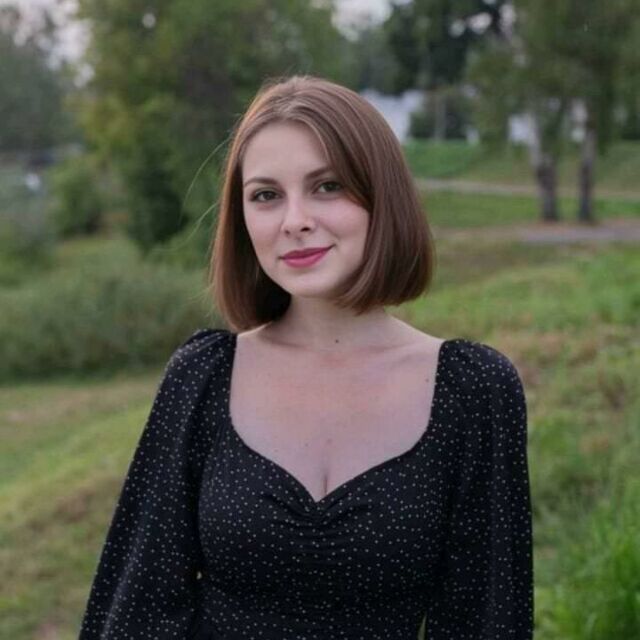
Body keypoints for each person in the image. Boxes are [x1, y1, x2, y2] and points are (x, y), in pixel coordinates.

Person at [78, 75, 533, 639]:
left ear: (382, 195)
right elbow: (137, 610)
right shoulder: (203, 377)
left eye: (327, 186)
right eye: (266, 195)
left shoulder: (472, 390)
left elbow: (488, 618)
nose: (294, 220)